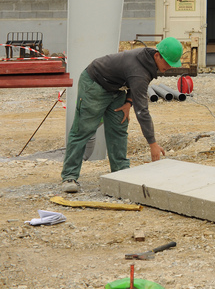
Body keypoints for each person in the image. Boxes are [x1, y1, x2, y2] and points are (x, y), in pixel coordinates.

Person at [60, 37, 183, 193]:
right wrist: (152, 144)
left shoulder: (148, 61)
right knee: (83, 129)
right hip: (95, 84)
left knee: (119, 126)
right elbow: (142, 110)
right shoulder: (139, 69)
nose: (169, 67)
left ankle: (120, 172)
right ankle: (69, 176)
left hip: (116, 88)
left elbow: (136, 83)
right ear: (157, 55)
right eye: (167, 62)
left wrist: (128, 102)